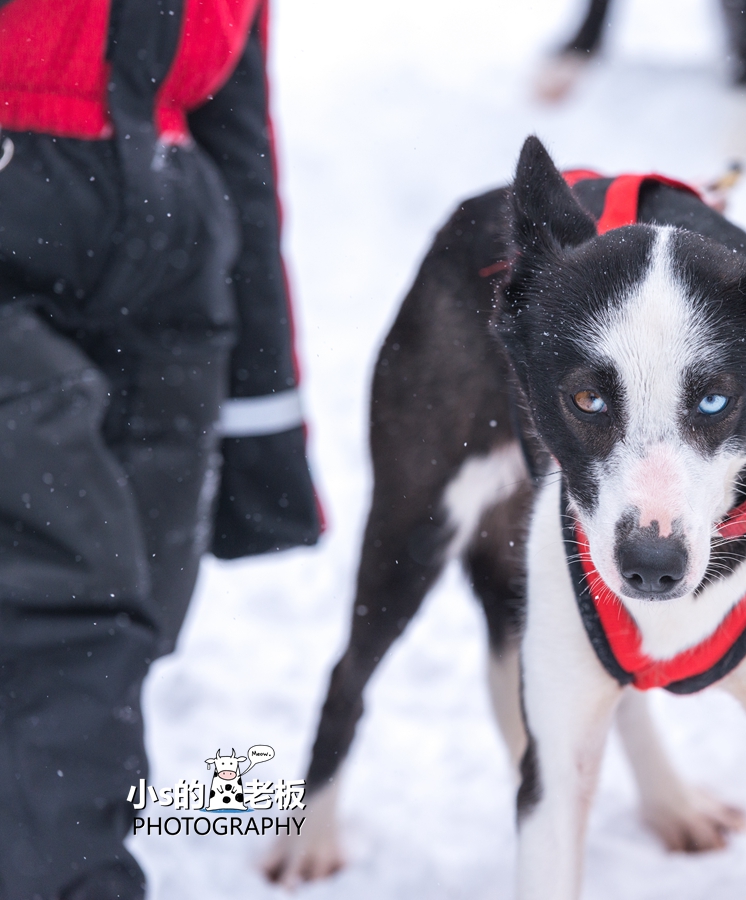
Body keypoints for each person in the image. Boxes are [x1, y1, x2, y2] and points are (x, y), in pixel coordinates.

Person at [0, 1, 321, 897]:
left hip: (166, 257)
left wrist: (264, 416)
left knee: (135, 598)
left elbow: (237, 119)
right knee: (58, 610)